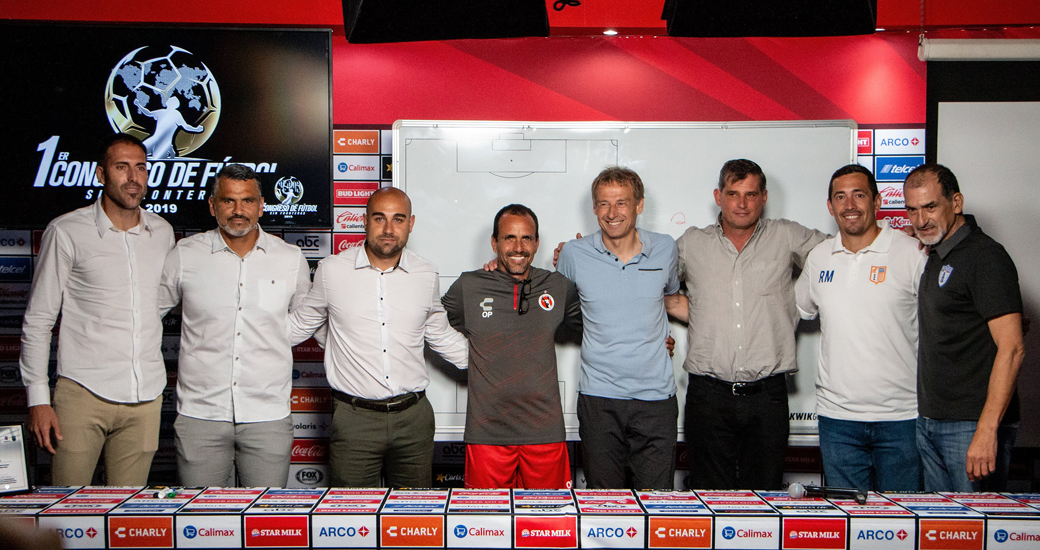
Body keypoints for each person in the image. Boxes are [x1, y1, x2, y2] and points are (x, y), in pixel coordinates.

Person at [19, 133, 175, 485]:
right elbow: (39, 320)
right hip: (82, 394)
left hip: (145, 396)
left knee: (127, 517)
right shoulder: (67, 231)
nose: (133, 178)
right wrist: (38, 400)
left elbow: (158, 304)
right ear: (101, 175)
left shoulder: (163, 232)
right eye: (122, 167)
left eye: (140, 168)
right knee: (67, 510)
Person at [288, 187, 468, 487]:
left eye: (398, 220)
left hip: (414, 418)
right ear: (364, 221)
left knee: (414, 517)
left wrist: (495, 363)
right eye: (379, 218)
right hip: (354, 418)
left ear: (410, 224)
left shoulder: (426, 273)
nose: (388, 229)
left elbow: (440, 334)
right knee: (351, 517)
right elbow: (303, 325)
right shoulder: (332, 271)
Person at [669, 159, 827, 490]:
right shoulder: (691, 243)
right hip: (707, 395)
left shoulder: (786, 236)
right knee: (708, 498)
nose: (742, 203)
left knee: (765, 497)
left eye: (751, 194)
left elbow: (840, 254)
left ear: (764, 197)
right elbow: (647, 280)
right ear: (718, 196)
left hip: (766, 396)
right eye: (733, 193)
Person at [158, 164, 311, 487]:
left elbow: (305, 322)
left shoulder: (290, 258)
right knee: (200, 524)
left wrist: (274, 340)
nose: (238, 210)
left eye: (248, 201)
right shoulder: (185, 255)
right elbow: (147, 317)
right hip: (201, 414)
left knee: (266, 521)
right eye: (228, 201)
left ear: (262, 204)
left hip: (267, 414)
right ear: (213, 206)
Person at [795, 164, 926, 491]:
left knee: (903, 526)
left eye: (859, 195)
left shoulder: (912, 253)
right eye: (840, 197)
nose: (849, 205)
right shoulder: (819, 258)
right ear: (830, 206)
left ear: (878, 201)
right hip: (837, 421)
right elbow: (796, 311)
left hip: (902, 418)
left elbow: (946, 321)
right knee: (848, 526)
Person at [556, 166, 682, 490]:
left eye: (622, 203)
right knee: (604, 507)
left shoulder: (666, 249)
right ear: (594, 208)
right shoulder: (573, 254)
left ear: (639, 205)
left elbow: (670, 301)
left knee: (657, 508)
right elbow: (560, 311)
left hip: (656, 401)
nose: (612, 213)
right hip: (599, 401)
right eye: (603, 204)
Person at [442, 204, 581, 489]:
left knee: (549, 527)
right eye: (509, 238)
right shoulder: (469, 286)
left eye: (526, 238)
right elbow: (429, 325)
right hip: (487, 434)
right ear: (494, 243)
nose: (518, 247)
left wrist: (586, 259)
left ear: (537, 242)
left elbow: (600, 324)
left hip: (545, 433)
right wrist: (469, 357)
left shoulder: (558, 286)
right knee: (484, 525)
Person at [904, 163, 1025, 492]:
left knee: (975, 537)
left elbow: (1012, 348)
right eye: (912, 210)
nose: (920, 220)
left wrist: (987, 431)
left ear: (956, 203)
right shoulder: (939, 252)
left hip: (972, 426)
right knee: (941, 535)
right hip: (930, 421)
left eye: (930, 207)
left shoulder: (986, 257)